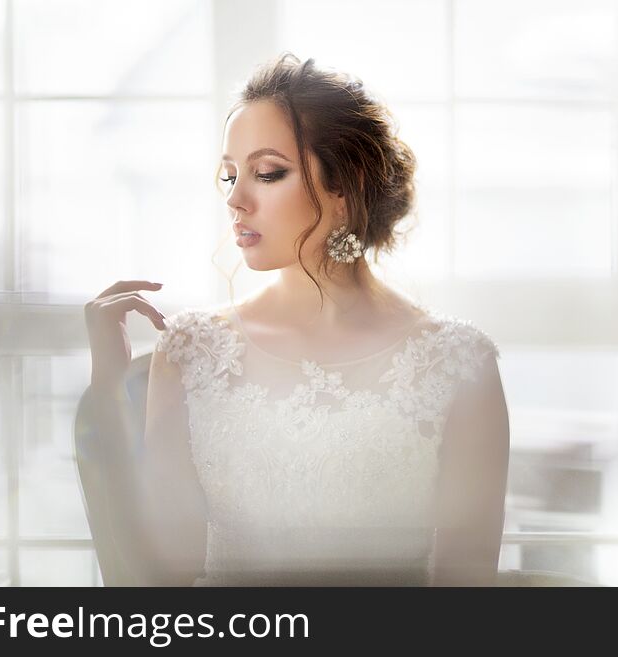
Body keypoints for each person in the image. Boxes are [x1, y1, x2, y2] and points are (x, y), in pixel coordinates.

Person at [81, 52, 510, 586]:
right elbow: (158, 583)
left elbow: (466, 593)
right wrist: (108, 387)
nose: (235, 199)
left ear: (344, 187)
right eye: (229, 175)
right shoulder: (192, 350)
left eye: (266, 173)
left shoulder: (459, 362)